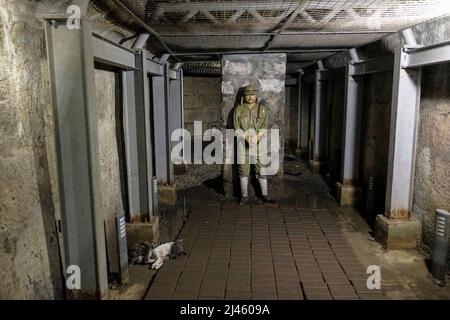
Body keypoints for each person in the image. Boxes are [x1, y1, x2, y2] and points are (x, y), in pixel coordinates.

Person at [233, 84, 275, 205]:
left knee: (261, 169)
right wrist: (245, 137)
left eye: (252, 94)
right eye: (247, 95)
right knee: (243, 169)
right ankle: (244, 196)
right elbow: (236, 128)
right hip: (243, 144)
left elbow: (265, 126)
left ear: (256, 95)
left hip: (259, 143)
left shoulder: (262, 109)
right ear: (243, 96)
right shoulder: (238, 109)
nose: (250, 97)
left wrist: (257, 136)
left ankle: (264, 195)